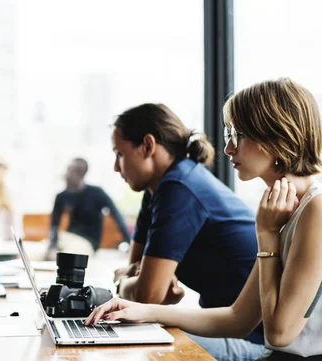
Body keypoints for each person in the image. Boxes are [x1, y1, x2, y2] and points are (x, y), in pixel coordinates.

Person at [87, 79, 322, 360]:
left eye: (239, 136)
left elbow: (279, 334)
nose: (228, 149)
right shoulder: (283, 208)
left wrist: (268, 236)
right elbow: (238, 318)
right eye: (229, 135)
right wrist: (142, 311)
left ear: (276, 136)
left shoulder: (315, 208)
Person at [107, 103, 264, 360]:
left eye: (120, 154)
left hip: (250, 339)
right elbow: (138, 271)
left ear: (148, 146)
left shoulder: (179, 188)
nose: (116, 166)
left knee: (139, 348)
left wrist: (122, 281)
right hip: (217, 327)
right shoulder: (156, 190)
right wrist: (136, 281)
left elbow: (146, 297)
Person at [46, 158, 131, 260]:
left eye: (71, 171)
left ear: (81, 174)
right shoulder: (61, 196)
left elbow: (116, 215)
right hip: (66, 237)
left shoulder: (97, 193)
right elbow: (54, 225)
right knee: (35, 251)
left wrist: (129, 243)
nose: (67, 175)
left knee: (70, 255)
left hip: (87, 242)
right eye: (67, 170)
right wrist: (52, 247)